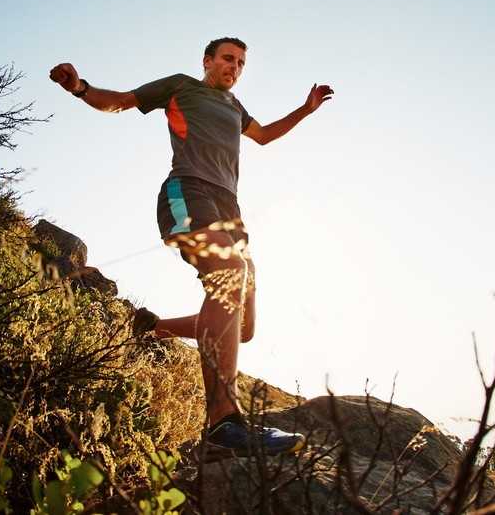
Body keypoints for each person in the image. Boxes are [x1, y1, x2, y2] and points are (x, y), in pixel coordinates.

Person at [49, 37, 333, 457]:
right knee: (229, 273)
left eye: (240, 63)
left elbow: (266, 136)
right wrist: (80, 88)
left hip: (230, 210)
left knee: (244, 326)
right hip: (188, 193)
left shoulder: (236, 109)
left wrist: (305, 111)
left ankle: (150, 327)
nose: (233, 67)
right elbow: (121, 101)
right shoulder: (183, 86)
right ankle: (224, 424)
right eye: (227, 59)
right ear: (208, 61)